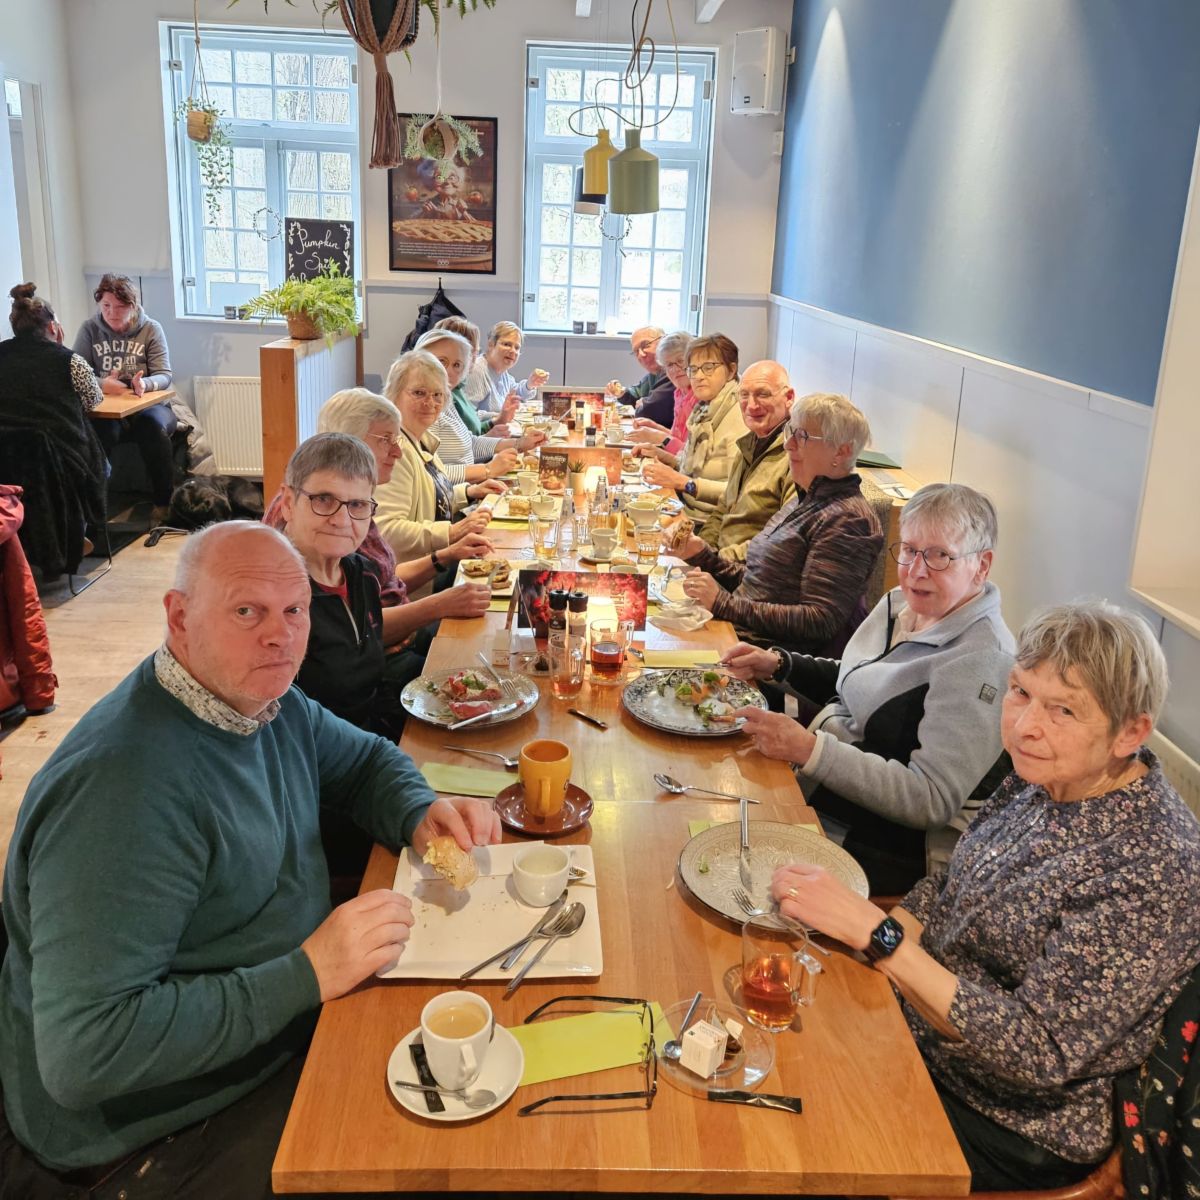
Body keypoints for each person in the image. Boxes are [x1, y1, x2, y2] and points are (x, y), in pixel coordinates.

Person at [0, 521, 500, 1197]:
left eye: (294, 610)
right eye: (246, 611)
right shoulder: (122, 794)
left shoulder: (262, 700)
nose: (280, 636)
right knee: (442, 1154)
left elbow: (366, 762)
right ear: (179, 618)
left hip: (278, 1024)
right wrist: (306, 974)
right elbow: (87, 1051)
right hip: (153, 1128)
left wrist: (417, 809)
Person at [772, 601, 1200, 1191]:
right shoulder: (1042, 777)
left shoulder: (1151, 866)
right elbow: (948, 885)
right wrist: (870, 959)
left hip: (1004, 1116)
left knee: (777, 1137)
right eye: (1020, 692)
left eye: (1064, 710)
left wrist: (881, 938)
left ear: (1131, 732)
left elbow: (1037, 1052)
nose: (1025, 726)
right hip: (919, 1027)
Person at [724, 482, 1015, 893]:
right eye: (910, 550)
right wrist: (780, 663)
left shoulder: (981, 660)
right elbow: (863, 676)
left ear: (981, 565)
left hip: (885, 846)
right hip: (827, 790)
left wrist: (810, 750)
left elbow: (930, 799)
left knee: (732, 861)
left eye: (939, 556)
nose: (917, 570)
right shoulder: (904, 603)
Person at [265, 388, 493, 636]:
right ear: (349, 441)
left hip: (397, 629)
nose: (398, 452)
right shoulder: (318, 519)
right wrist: (439, 604)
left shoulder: (356, 505)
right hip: (393, 645)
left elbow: (383, 581)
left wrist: (446, 556)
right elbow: (354, 633)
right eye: (386, 439)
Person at [679, 391, 883, 650]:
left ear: (841, 452)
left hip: (764, 655)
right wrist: (703, 556)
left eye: (803, 436)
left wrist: (722, 603)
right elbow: (761, 581)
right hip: (739, 635)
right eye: (791, 432)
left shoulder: (848, 519)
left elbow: (819, 621)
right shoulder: (805, 499)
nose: (789, 445)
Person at [0, 283, 107, 577]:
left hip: (7, 462)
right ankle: (79, 534)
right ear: (52, 327)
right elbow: (94, 400)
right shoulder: (69, 361)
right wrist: (60, 349)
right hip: (61, 459)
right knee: (102, 464)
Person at [374, 350, 503, 587]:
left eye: (437, 395)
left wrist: (469, 492)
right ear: (393, 394)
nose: (430, 403)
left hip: (438, 570)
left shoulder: (422, 438)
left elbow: (433, 498)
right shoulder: (395, 451)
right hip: (414, 588)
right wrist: (452, 532)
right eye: (419, 393)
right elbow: (388, 530)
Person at [73, 272, 177, 515]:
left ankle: (163, 504)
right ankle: (95, 510)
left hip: (148, 406)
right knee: (98, 432)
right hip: (107, 409)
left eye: (120, 307)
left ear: (133, 305)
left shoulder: (151, 329)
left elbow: (164, 375)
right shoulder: (89, 329)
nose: (112, 313)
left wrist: (145, 384)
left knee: (152, 428)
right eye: (106, 306)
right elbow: (76, 372)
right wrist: (102, 384)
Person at [679, 360, 795, 562]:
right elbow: (722, 509)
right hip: (719, 561)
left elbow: (780, 541)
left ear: (789, 397)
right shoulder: (750, 441)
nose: (751, 405)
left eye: (763, 394)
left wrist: (713, 561)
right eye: (744, 395)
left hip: (746, 570)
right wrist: (701, 551)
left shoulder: (796, 456)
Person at [634, 332, 747, 519]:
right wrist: (660, 454)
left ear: (731, 370)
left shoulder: (740, 416)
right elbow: (689, 464)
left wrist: (682, 482)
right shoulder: (704, 407)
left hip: (707, 520)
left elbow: (739, 493)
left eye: (708, 368)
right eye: (693, 369)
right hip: (687, 507)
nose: (698, 376)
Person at [414, 329, 545, 484]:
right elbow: (427, 474)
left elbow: (471, 444)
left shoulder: (444, 399)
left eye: (457, 365)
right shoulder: (421, 408)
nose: (449, 371)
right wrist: (487, 470)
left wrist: (520, 444)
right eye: (442, 362)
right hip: (455, 493)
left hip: (465, 489)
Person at [462, 320, 549, 428]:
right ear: (491, 344)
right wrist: (500, 416)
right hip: (483, 434)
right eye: (507, 344)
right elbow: (467, 416)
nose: (513, 351)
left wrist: (530, 384)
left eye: (517, 347)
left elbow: (516, 393)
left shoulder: (502, 372)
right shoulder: (477, 370)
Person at [626, 329, 696, 456]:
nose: (675, 369)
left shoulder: (700, 397)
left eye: (680, 361)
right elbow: (678, 438)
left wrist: (657, 436)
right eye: (669, 365)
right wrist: (654, 426)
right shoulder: (680, 393)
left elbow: (692, 456)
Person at [605, 325, 675, 424]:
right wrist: (621, 392)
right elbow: (636, 397)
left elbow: (647, 412)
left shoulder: (672, 371)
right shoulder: (654, 374)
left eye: (646, 345)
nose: (641, 354)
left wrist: (644, 404)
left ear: (664, 341)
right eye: (636, 351)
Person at [433, 314, 486, 435]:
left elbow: (471, 426)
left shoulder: (457, 385)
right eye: (472, 351)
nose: (475, 357)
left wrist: (494, 422)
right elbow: (465, 441)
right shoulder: (441, 394)